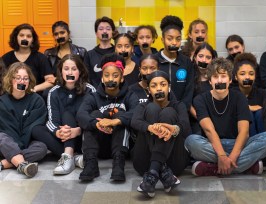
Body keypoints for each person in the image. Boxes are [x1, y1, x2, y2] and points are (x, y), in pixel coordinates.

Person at [184, 58, 266, 176]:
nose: (219, 80)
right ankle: (246, 166)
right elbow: (209, 130)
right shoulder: (200, 100)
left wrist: (231, 157)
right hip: (212, 144)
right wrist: (222, 156)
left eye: (223, 76)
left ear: (229, 80)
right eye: (215, 77)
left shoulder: (240, 98)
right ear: (210, 81)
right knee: (190, 141)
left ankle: (214, 168)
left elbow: (244, 132)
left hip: (238, 144)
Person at [77, 53, 138, 182]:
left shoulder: (130, 95)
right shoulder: (93, 96)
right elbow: (81, 114)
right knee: (94, 115)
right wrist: (96, 124)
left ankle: (118, 164)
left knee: (121, 114)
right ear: (102, 78)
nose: (111, 79)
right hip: (100, 145)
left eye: (115, 76)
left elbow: (137, 113)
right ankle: (91, 163)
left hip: (121, 146)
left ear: (121, 78)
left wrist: (115, 121)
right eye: (107, 75)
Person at [31, 54, 96, 175]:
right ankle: (73, 157)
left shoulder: (90, 90)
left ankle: (68, 157)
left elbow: (94, 119)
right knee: (36, 129)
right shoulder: (53, 91)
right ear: (61, 71)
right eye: (66, 69)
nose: (70, 72)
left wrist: (77, 131)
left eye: (74, 69)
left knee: (67, 115)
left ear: (80, 71)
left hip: (83, 137)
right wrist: (57, 132)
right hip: (63, 138)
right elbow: (51, 120)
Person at [131, 70, 190, 198]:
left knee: (168, 112)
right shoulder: (143, 106)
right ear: (148, 91)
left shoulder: (178, 105)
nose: (158, 89)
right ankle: (162, 171)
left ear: (169, 87)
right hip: (144, 162)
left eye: (163, 84)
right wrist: (150, 127)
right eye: (154, 86)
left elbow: (186, 127)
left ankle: (152, 175)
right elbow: (134, 122)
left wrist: (174, 129)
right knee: (152, 108)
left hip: (175, 163)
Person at [0, 62, 47, 177]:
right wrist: (16, 145)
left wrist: (18, 147)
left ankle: (4, 163)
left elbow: (33, 127)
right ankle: (22, 164)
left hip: (27, 142)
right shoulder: (2, 101)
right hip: (8, 142)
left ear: (29, 81)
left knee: (42, 148)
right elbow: (7, 129)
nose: (22, 81)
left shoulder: (37, 100)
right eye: (18, 78)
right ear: (11, 80)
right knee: (1, 137)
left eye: (25, 78)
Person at [2, 23, 55, 94]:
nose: (25, 38)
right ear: (16, 37)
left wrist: (33, 89)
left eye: (29, 36)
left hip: (34, 96)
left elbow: (50, 81)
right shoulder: (6, 58)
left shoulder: (41, 58)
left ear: (33, 40)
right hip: (12, 97)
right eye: (21, 35)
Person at [156, 15, 194, 110]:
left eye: (178, 39)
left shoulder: (186, 62)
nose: (174, 43)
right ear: (162, 40)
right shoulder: (154, 60)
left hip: (181, 113)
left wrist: (181, 110)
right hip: (156, 112)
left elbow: (189, 91)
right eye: (170, 38)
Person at [233, 53, 266, 136]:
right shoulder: (231, 94)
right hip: (238, 137)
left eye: (251, 74)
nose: (247, 77)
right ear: (235, 76)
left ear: (255, 76)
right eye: (242, 74)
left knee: (260, 113)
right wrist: (248, 108)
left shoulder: (263, 94)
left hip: (262, 136)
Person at [190, 42, 216, 134]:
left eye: (208, 57)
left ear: (212, 60)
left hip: (215, 117)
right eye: (200, 56)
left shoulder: (216, 77)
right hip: (195, 119)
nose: (204, 60)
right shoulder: (189, 77)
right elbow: (188, 103)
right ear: (195, 57)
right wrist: (202, 119)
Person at [84, 16, 116, 88]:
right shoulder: (89, 55)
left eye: (108, 29)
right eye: (101, 29)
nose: (104, 31)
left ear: (112, 32)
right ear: (96, 33)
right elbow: (87, 78)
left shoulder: (117, 52)